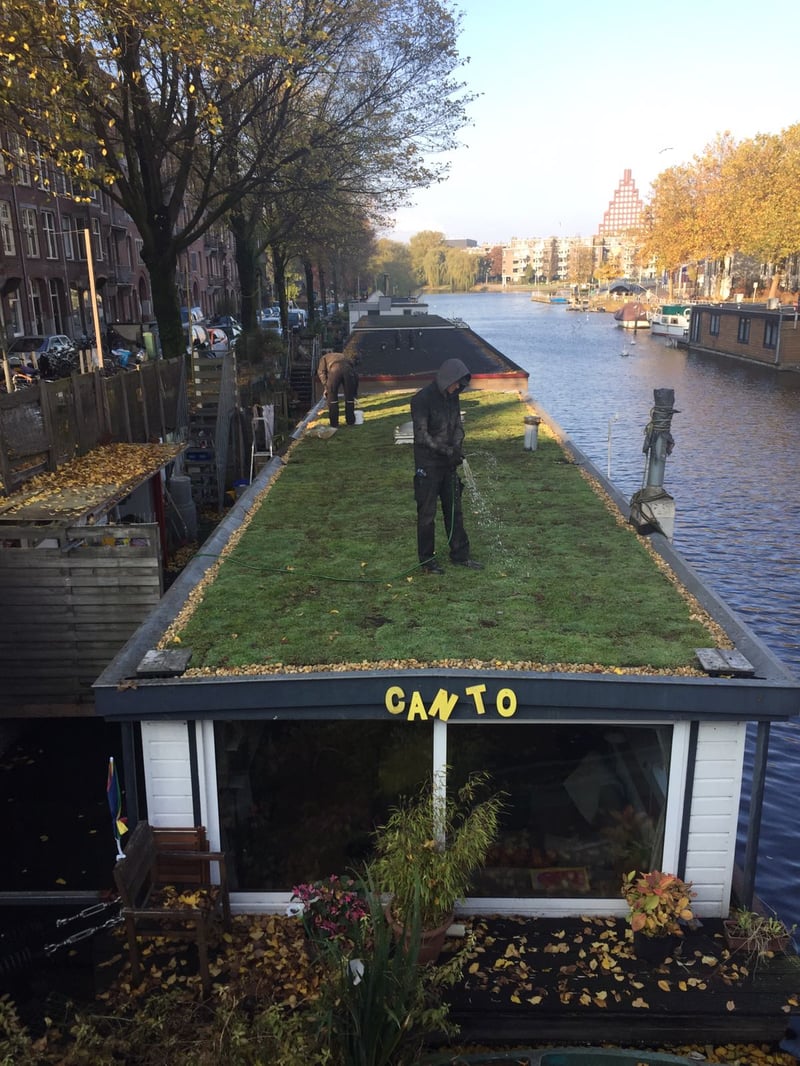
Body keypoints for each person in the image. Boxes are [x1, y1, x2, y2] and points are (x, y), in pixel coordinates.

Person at [411, 357, 482, 574]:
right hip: (428, 465)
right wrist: (446, 450)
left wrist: (458, 445)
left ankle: (460, 554)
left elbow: (457, 425)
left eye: (460, 385)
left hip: (448, 463)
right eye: (456, 383)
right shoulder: (422, 399)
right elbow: (422, 435)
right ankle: (427, 560)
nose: (457, 388)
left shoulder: (453, 397)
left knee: (455, 510)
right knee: (427, 515)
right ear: (446, 379)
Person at [317, 351, 359, 427]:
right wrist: (354, 393)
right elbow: (355, 376)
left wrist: (327, 387)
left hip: (334, 370)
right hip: (348, 370)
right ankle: (350, 422)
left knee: (332, 399)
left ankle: (334, 424)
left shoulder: (323, 358)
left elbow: (321, 373)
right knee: (349, 398)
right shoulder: (344, 357)